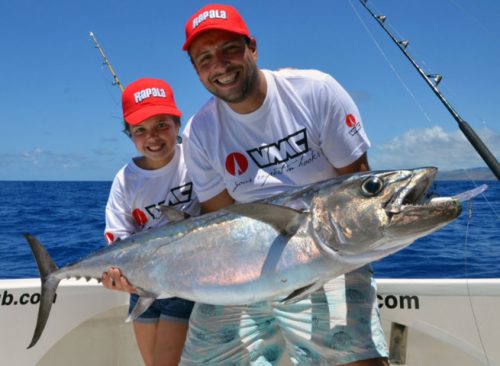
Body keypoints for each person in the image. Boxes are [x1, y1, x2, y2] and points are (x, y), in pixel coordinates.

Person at [180, 4, 389, 366]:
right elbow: (221, 215)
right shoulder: (199, 132)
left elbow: (355, 190)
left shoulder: (315, 91)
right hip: (244, 258)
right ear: (197, 71)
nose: (220, 65)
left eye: (230, 49)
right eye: (205, 58)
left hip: (329, 251)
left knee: (355, 358)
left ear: (253, 48)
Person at [101, 77, 200, 366]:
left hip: (181, 284)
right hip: (140, 289)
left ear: (178, 124)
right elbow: (117, 238)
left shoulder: (195, 159)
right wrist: (114, 275)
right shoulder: (125, 179)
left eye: (162, 125)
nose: (153, 137)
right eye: (140, 130)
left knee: (165, 362)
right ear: (129, 134)